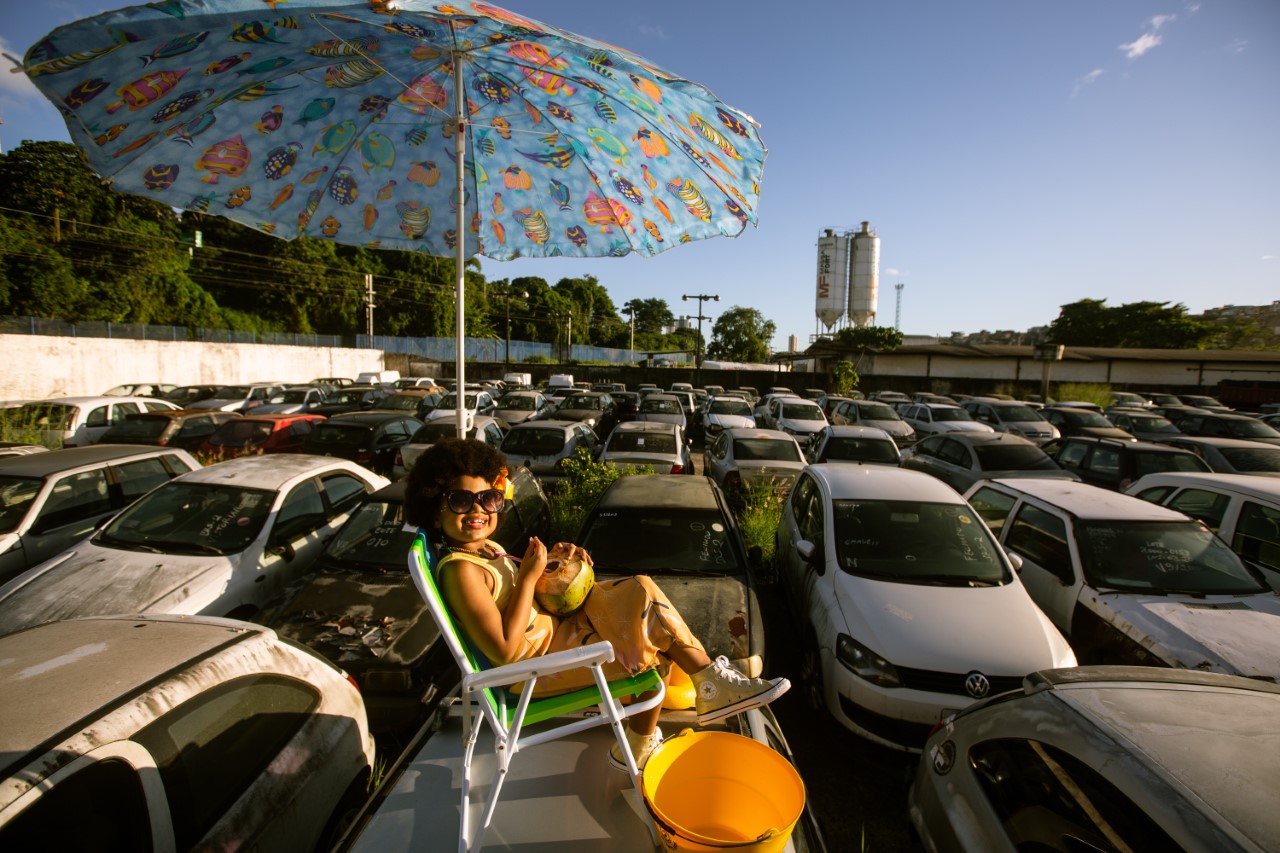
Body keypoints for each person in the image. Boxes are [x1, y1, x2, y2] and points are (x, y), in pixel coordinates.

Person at [405, 438, 790, 770]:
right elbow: (505, 651)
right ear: (434, 508)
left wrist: (556, 561)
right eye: (461, 500)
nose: (477, 511)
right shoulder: (462, 572)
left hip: (558, 636)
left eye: (487, 498)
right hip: (535, 668)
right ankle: (657, 729)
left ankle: (705, 679)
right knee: (647, 649)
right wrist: (527, 578)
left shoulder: (484, 549)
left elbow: (520, 597)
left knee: (639, 590)